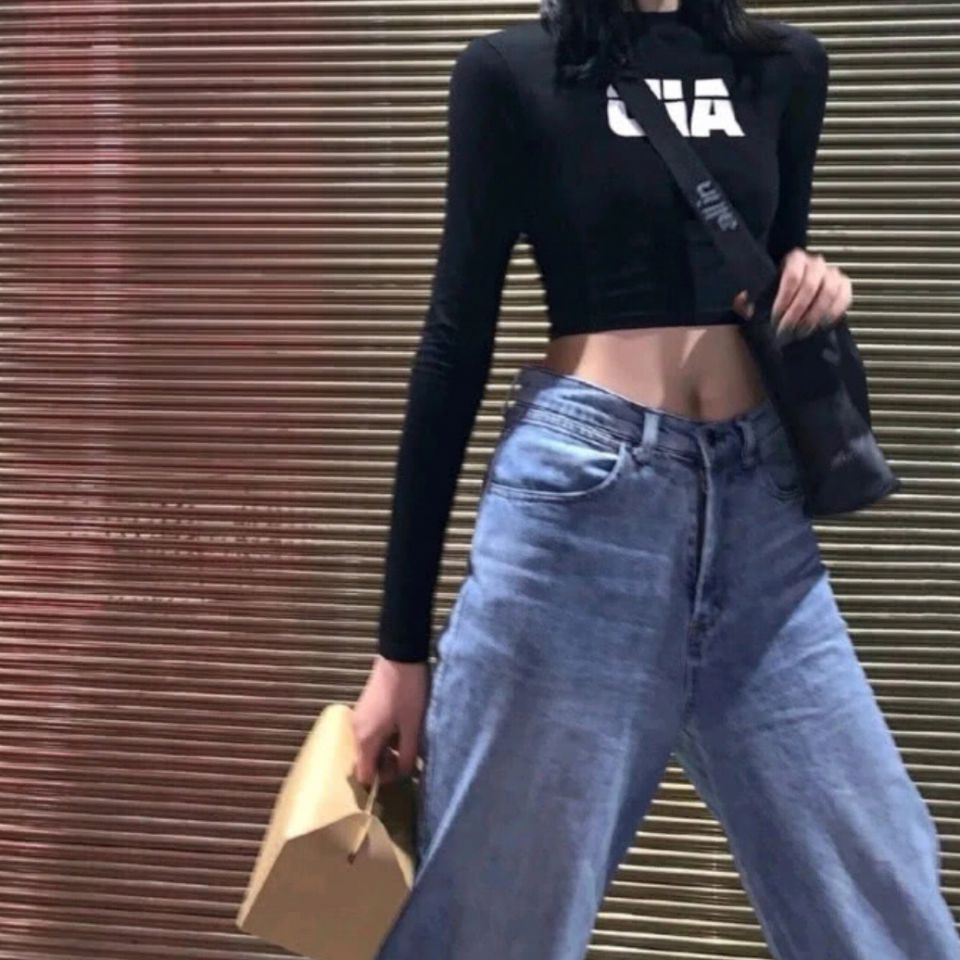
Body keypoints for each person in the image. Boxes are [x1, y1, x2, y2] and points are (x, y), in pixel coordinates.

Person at [354, 1, 960, 957]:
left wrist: (817, 285)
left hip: (760, 519)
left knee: (883, 905)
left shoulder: (784, 66)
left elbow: (770, 274)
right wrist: (399, 651)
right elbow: (453, 344)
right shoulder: (514, 70)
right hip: (579, 515)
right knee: (494, 928)